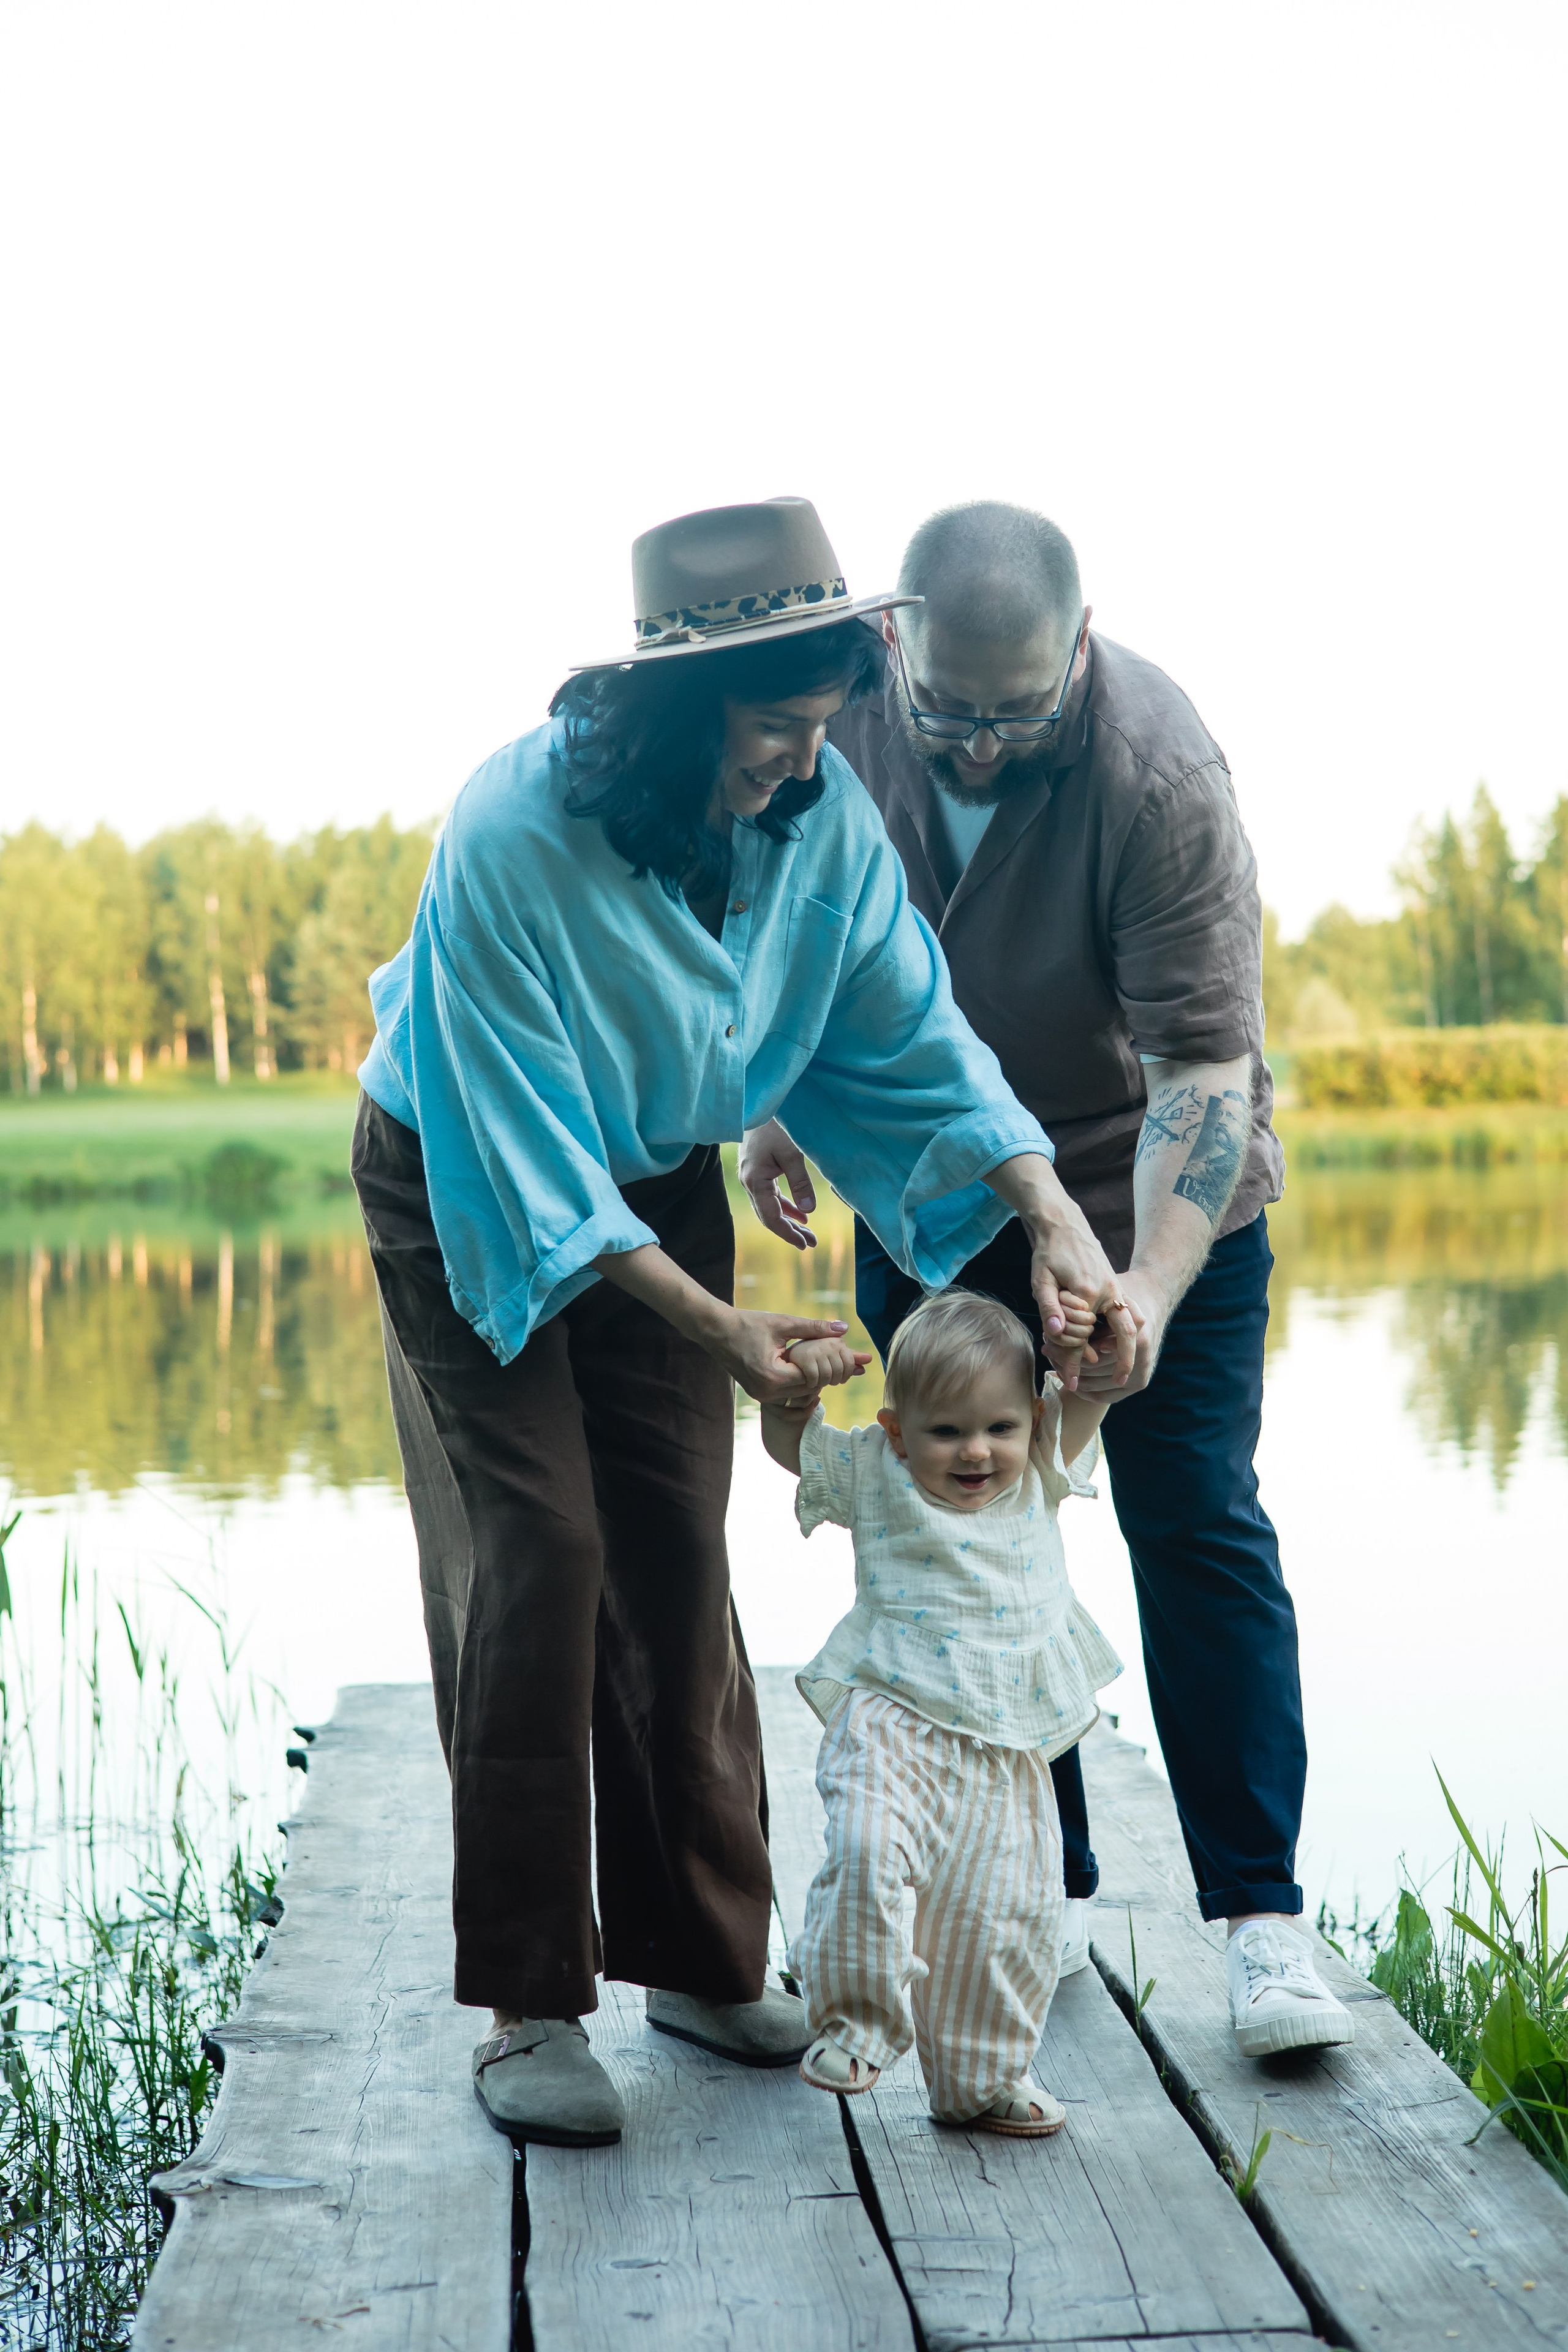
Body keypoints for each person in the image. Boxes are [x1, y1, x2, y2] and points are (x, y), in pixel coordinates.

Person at [352, 496, 1136, 2150]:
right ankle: (528, 2005)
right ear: (669, 716)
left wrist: (1056, 1217)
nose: (802, 758)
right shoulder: (508, 833)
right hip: (464, 1172)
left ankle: (704, 1963)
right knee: (543, 1543)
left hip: (651, 1177)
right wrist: (723, 1325)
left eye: (817, 726)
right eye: (771, 730)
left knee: (673, 1539)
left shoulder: (818, 817)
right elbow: (527, 1158)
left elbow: (907, 1033)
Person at [741, 500, 1355, 2060]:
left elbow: (1204, 1075)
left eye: (1016, 715)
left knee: (1192, 1514)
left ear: (1075, 654)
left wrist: (1141, 1283)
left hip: (1144, 1181)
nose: (974, 746)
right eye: (947, 708)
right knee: (965, 1520)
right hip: (936, 1196)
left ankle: (1264, 1924)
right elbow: (783, 929)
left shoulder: (1158, 772)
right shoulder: (850, 712)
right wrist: (772, 1097)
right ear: (897, 644)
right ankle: (1040, 1885)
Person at [759, 1289, 1119, 2135]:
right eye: (946, 1432)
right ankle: (855, 2021)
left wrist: (1098, 1346)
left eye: (998, 1427)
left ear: (1032, 1419)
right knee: (867, 1850)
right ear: (895, 1430)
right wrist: (793, 1400)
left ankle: (982, 2079)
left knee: (1002, 1916)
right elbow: (794, 1451)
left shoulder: (1040, 1467)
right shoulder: (875, 1472)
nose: (975, 1451)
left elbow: (1095, 1392)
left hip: (1006, 1736)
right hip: (892, 1714)